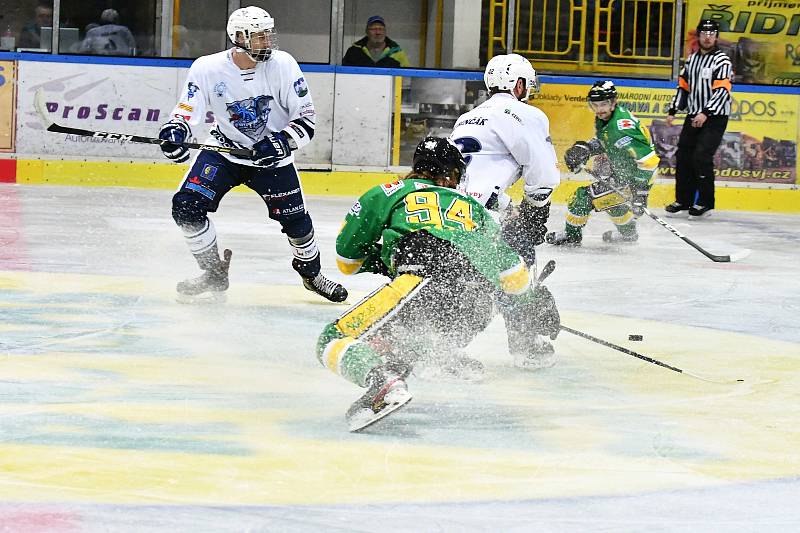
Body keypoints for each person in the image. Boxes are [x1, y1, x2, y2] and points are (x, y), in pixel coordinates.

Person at [318, 137, 561, 432]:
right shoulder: (475, 208)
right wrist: (532, 305)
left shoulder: (389, 192)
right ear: (451, 174)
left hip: (426, 278)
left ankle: (383, 383)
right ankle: (443, 356)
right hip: (477, 305)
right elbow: (511, 273)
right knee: (404, 339)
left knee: (333, 338)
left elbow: (347, 260)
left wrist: (387, 260)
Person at [157, 6, 347, 304]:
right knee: (186, 207)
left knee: (297, 223)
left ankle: (311, 276)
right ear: (239, 38)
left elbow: (306, 121)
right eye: (259, 36)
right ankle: (212, 273)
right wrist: (176, 131)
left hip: (272, 161)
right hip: (225, 152)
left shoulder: (283, 65)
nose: (267, 42)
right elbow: (186, 110)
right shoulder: (206, 68)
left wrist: (281, 142)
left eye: (268, 35)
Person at [449, 53, 561, 369]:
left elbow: (477, 177)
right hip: (486, 220)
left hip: (452, 214)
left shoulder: (467, 118)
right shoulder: (526, 114)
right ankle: (526, 346)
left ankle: (443, 347)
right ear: (519, 84)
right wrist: (536, 211)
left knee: (470, 285)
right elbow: (544, 175)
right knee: (517, 270)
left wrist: (508, 207)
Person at [548, 80, 659, 245]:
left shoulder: (621, 127)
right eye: (595, 105)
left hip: (634, 180)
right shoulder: (609, 118)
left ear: (613, 102)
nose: (599, 110)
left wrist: (640, 192)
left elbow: (650, 161)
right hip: (623, 175)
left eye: (604, 104)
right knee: (611, 201)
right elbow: (607, 141)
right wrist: (584, 149)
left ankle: (572, 235)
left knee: (582, 197)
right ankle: (628, 235)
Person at [664, 19, 733, 219]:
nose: (708, 36)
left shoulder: (722, 60)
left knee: (702, 156)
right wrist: (673, 110)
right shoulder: (692, 59)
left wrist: (706, 113)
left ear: (716, 36)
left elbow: (722, 91)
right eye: (704, 33)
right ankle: (683, 200)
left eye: (712, 33)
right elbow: (683, 87)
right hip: (694, 113)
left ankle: (704, 202)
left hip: (715, 116)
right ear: (699, 36)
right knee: (683, 155)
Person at [342, 15, 410, 68]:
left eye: (381, 29)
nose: (378, 32)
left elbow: (406, 77)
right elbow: (343, 74)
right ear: (367, 32)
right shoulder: (354, 52)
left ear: (385, 31)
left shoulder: (397, 52)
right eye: (373, 29)